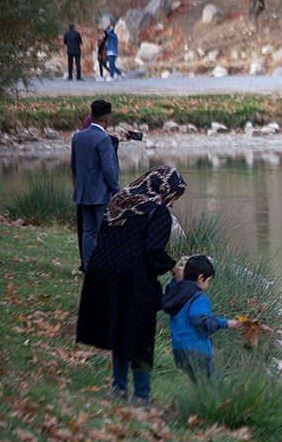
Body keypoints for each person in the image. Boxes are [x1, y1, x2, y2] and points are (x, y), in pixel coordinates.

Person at [76, 165, 187, 405]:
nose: (173, 203)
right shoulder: (158, 213)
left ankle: (118, 388)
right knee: (140, 335)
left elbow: (103, 236)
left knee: (119, 330)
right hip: (134, 278)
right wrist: (174, 269)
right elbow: (153, 252)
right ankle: (142, 395)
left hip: (103, 272)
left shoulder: (119, 201)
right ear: (166, 190)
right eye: (175, 197)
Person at [161, 255, 241, 383]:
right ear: (200, 278)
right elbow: (201, 321)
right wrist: (226, 323)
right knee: (215, 387)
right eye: (208, 280)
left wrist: (176, 279)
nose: (208, 284)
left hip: (179, 351)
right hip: (197, 351)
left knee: (200, 386)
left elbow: (173, 286)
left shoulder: (175, 292)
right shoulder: (198, 298)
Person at [71, 99, 120, 273]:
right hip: (101, 194)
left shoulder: (78, 137)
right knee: (105, 231)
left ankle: (88, 265)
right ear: (107, 118)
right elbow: (108, 169)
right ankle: (104, 266)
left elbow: (74, 166)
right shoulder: (103, 140)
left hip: (83, 193)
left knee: (88, 231)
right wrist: (116, 190)